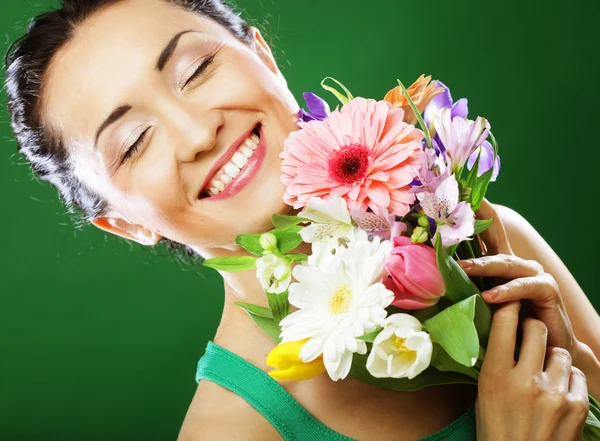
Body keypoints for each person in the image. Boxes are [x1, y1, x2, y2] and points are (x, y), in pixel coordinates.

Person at [4, 0, 600, 439]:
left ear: (262, 56)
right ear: (125, 223)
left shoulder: (485, 237)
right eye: (134, 143)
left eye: (194, 71)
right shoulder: (230, 431)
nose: (196, 131)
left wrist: (580, 374)